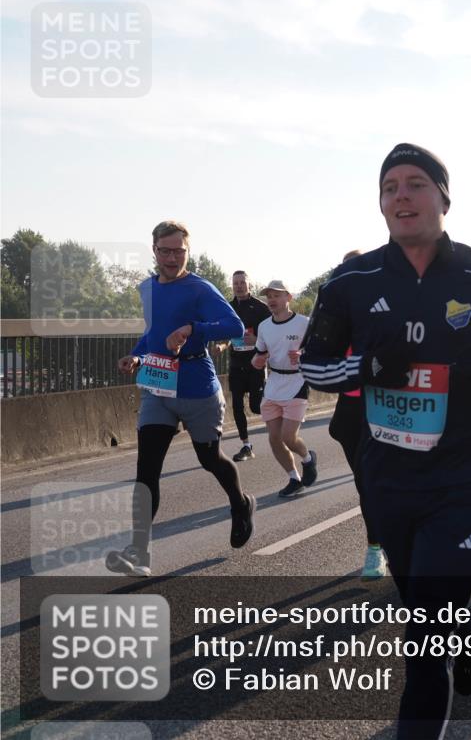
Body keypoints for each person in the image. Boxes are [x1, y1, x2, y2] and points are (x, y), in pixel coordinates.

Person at [300, 143, 471, 739]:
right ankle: (466, 623)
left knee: (423, 640)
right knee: (430, 615)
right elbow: (313, 366)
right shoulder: (352, 282)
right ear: (381, 204)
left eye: (416, 184)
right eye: (390, 187)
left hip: (461, 480)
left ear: (443, 197)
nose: (402, 196)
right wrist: (365, 369)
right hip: (387, 482)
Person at [106, 220, 255, 577]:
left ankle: (240, 503)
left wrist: (193, 329)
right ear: (153, 250)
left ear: (188, 251)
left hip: (196, 385)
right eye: (165, 250)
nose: (172, 258)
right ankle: (139, 551)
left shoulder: (200, 288)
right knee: (147, 471)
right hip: (158, 384)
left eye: (179, 251)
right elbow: (153, 333)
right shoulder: (147, 288)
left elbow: (235, 327)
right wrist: (138, 355)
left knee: (210, 458)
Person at [327, 249, 386, 579]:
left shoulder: (386, 308)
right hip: (349, 410)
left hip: (381, 404)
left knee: (381, 479)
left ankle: (381, 543)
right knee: (366, 483)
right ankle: (377, 546)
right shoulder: (335, 312)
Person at [251, 280, 317, 497]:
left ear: (289, 298)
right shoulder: (264, 326)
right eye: (268, 296)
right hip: (274, 384)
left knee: (289, 437)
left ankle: (308, 459)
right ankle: (293, 478)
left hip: (297, 381)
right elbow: (259, 354)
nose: (271, 299)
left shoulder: (304, 323)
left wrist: (303, 355)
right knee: (274, 438)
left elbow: (320, 349)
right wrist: (257, 362)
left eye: (277, 295)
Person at [213, 271, 271, 462]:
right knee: (237, 405)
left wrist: (258, 340)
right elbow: (229, 336)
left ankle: (279, 423)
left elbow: (273, 332)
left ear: (249, 285)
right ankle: (246, 445)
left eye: (242, 283)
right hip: (237, 365)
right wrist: (222, 346)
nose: (238, 286)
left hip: (256, 364)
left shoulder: (261, 308)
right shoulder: (228, 308)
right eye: (235, 283)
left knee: (256, 406)